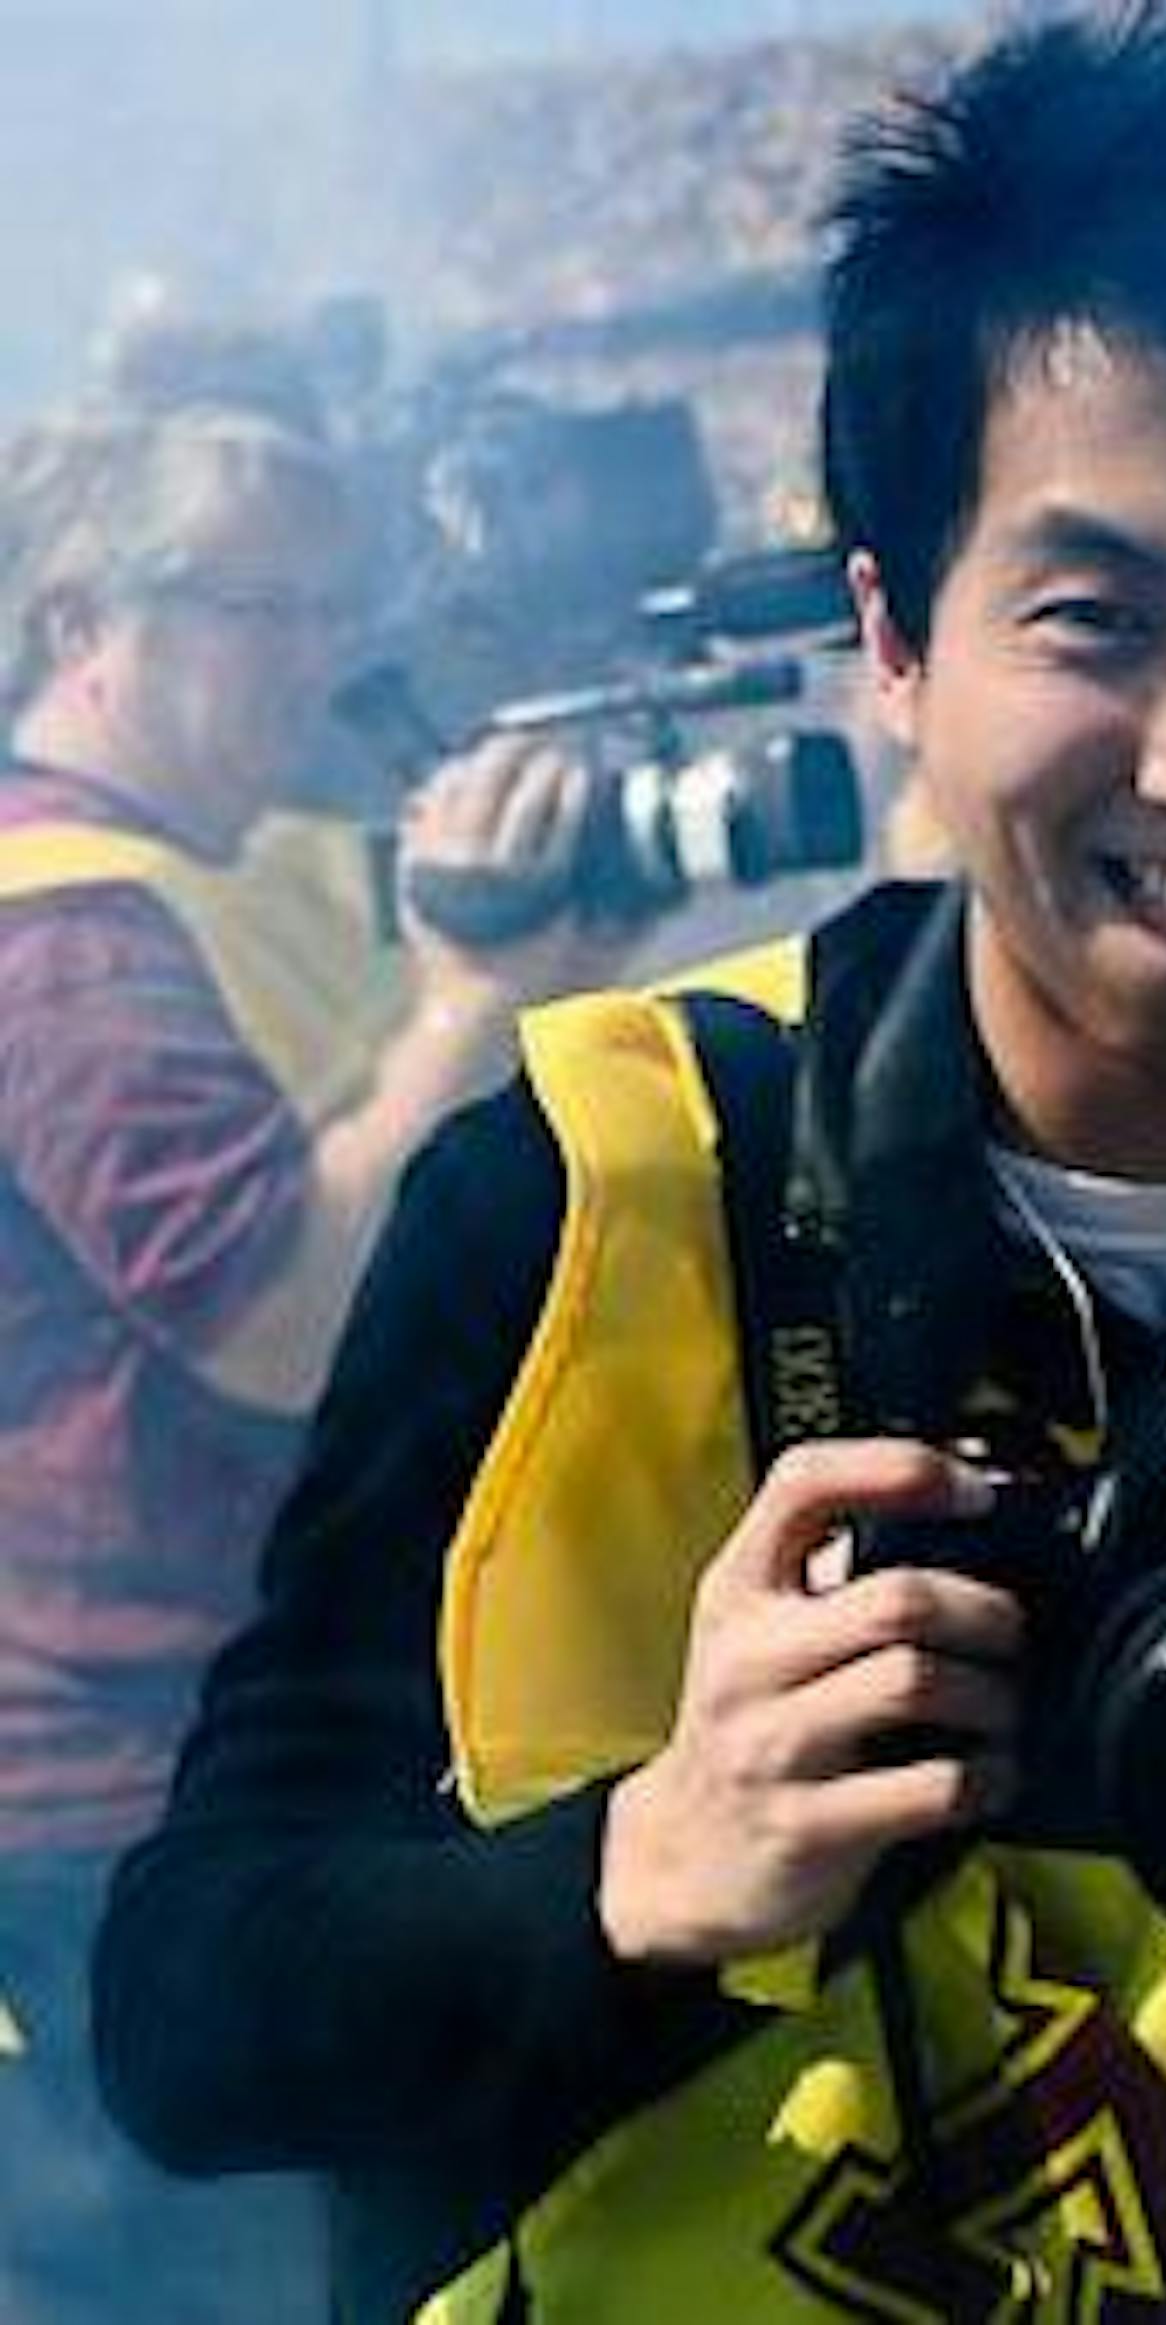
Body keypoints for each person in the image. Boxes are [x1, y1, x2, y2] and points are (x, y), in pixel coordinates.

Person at [94, 13, 1166, 2322]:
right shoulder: (601, 1187)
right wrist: (644, 1866)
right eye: (1096, 616)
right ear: (894, 636)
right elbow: (194, 2004)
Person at [0, 400, 619, 2320]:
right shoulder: (68, 937)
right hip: (118, 1788)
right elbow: (273, 1313)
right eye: (262, 608)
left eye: (328, 608)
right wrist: (470, 992)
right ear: (91, 615)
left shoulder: (118, 890)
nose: (315, 661)